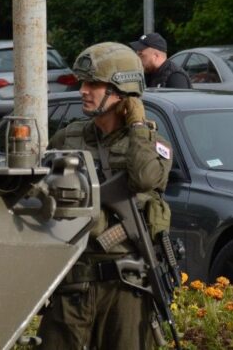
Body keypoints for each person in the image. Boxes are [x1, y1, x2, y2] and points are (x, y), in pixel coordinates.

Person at [40, 42, 173, 350]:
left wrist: (138, 125)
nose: (83, 91)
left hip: (125, 285)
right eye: (83, 83)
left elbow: (145, 179)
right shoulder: (68, 137)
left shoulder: (151, 143)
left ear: (121, 91)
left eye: (94, 84)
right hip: (74, 280)